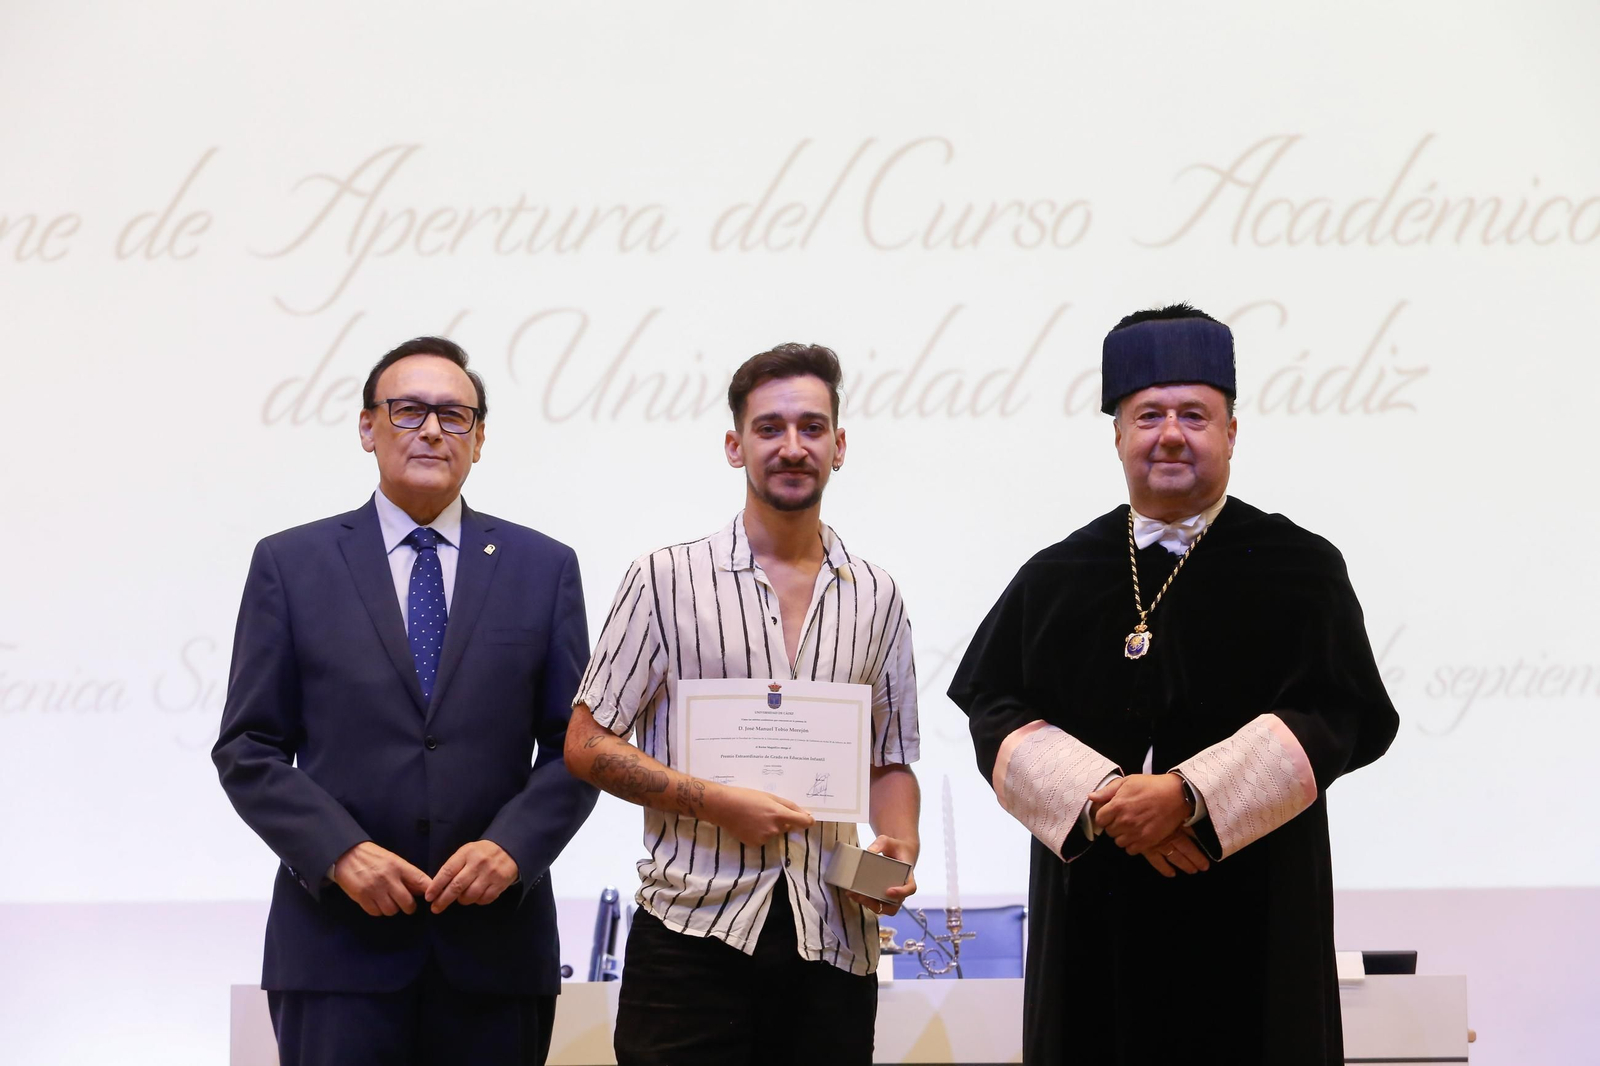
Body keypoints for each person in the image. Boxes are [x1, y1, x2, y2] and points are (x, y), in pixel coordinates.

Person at [947, 305, 1399, 1065]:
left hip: (1251, 914)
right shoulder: (1056, 575)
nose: (1170, 434)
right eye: (1148, 415)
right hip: (1096, 917)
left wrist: (1189, 797)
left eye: (1194, 414)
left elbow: (1340, 712)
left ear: (1232, 432)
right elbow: (992, 706)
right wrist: (1106, 800)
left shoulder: (1300, 568)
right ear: (1117, 434)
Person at [213, 336, 598, 1066]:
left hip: (495, 951)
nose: (431, 430)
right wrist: (339, 852)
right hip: (336, 947)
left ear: (479, 439)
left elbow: (575, 750)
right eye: (408, 410)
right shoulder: (290, 564)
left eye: (454, 416)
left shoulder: (542, 567)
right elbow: (248, 747)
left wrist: (512, 849)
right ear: (368, 427)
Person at [564, 343, 921, 1066]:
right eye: (769, 428)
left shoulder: (877, 594)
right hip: (690, 936)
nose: (792, 447)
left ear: (839, 446)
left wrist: (899, 847)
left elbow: (890, 760)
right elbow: (586, 743)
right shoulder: (663, 579)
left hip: (833, 938)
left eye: (812, 428)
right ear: (736, 446)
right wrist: (715, 803)